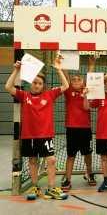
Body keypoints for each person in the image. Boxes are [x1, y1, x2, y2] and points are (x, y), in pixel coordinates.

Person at [5, 58, 69, 200]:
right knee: (32, 161)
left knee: (51, 160)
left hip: (45, 135)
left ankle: (51, 189)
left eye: (40, 83)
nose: (37, 85)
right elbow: (8, 87)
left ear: (43, 85)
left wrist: (58, 68)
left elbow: (65, 86)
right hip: (29, 135)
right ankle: (35, 186)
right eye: (35, 83)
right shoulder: (24, 96)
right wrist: (16, 71)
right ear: (30, 83)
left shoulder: (49, 94)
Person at [60, 55, 97, 192]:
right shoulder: (68, 92)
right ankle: (68, 178)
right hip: (71, 129)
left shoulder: (86, 92)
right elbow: (65, 76)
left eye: (79, 80)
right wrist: (61, 65)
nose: (76, 81)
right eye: (73, 80)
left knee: (87, 153)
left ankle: (89, 173)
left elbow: (90, 77)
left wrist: (92, 64)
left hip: (85, 129)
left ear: (83, 83)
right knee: (71, 155)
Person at [83, 72, 107, 192]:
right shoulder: (100, 97)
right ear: (105, 84)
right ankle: (106, 180)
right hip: (101, 133)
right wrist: (85, 96)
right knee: (104, 157)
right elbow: (86, 107)